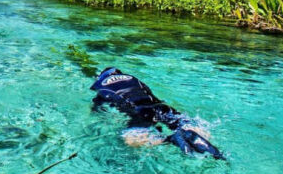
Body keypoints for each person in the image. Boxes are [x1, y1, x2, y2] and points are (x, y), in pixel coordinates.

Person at [90, 67, 225, 159]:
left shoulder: (100, 85)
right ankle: (194, 134)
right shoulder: (132, 78)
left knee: (128, 140)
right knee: (186, 123)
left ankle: (169, 140)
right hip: (161, 107)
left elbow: (98, 111)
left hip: (139, 111)